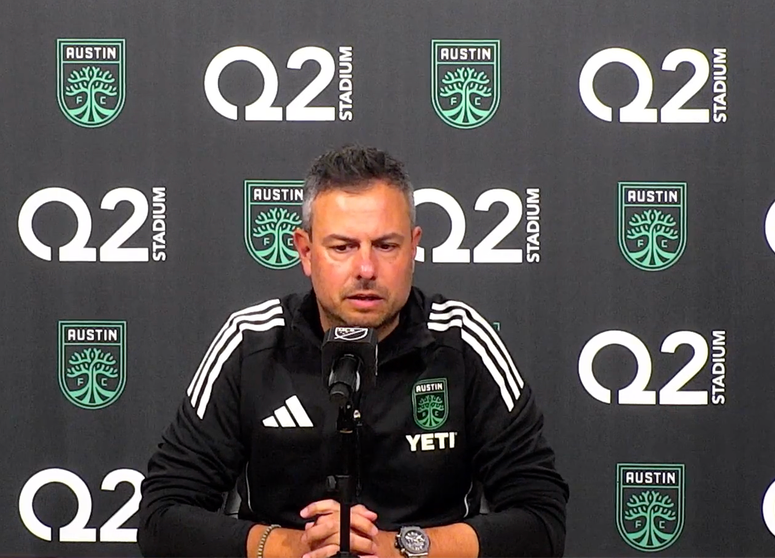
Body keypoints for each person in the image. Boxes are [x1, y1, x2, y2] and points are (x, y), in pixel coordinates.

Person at [138, 145, 568, 558]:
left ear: (414, 248)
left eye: (386, 246)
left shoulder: (461, 341)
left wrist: (401, 547)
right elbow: (162, 519)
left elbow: (541, 523)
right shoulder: (252, 342)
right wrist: (293, 547)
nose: (365, 269)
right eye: (342, 247)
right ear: (306, 252)